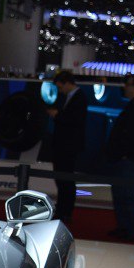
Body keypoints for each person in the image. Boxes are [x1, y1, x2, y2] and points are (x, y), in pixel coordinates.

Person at [104, 75, 134, 241]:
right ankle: (125, 227)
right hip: (126, 158)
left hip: (129, 159)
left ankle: (133, 230)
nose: (125, 87)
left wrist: (126, 154)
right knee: (120, 193)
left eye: (127, 84)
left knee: (126, 194)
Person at [47, 70, 87, 222]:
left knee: (66, 179)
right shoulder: (71, 97)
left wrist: (57, 115)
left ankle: (65, 211)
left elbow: (74, 121)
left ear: (67, 83)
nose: (60, 90)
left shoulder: (79, 97)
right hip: (64, 145)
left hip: (68, 146)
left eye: (60, 87)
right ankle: (63, 209)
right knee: (62, 179)